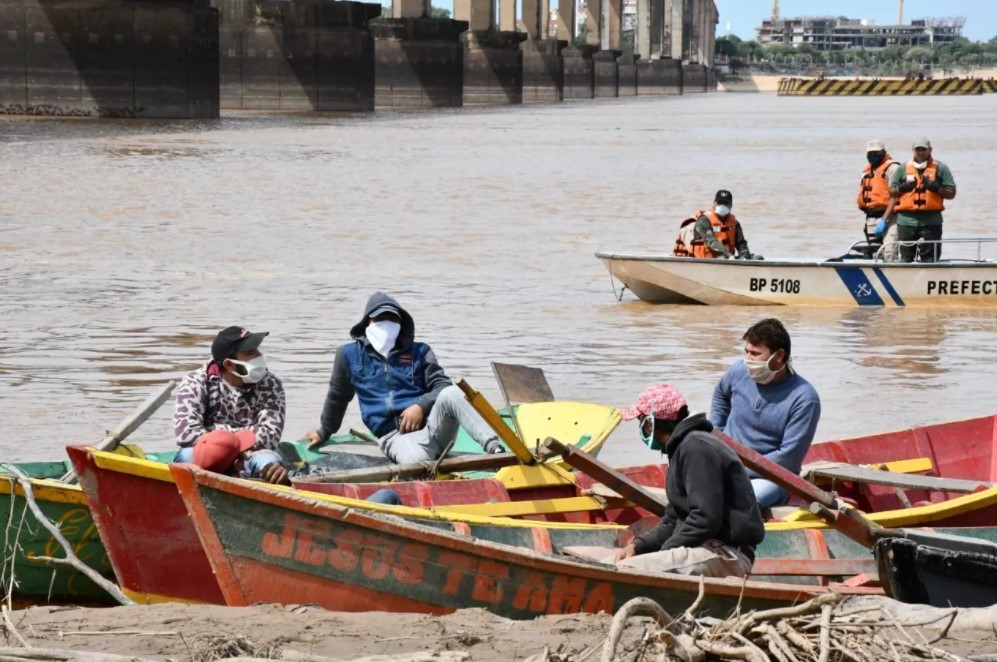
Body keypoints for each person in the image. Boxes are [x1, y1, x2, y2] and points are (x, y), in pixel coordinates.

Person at [303, 293, 505, 464]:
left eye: (392, 319)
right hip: (395, 436)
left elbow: (441, 385)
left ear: (401, 324)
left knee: (452, 392)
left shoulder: (420, 351)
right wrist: (324, 431)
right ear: (367, 322)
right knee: (417, 461)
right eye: (379, 319)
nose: (386, 324)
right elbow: (338, 397)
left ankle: (496, 450)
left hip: (433, 427)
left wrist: (420, 406)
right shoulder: (348, 355)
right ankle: (428, 469)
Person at [613, 384, 764, 577]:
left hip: (726, 553)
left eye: (642, 421)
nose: (641, 427)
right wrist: (638, 546)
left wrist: (664, 552)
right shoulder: (681, 447)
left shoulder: (696, 448)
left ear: (651, 423)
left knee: (626, 570)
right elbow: (673, 519)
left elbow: (705, 519)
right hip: (702, 546)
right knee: (610, 564)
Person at [709, 319, 821, 510]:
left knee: (737, 503)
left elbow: (787, 459)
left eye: (755, 354)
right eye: (746, 351)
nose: (748, 359)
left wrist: (738, 469)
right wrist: (716, 432)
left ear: (779, 356)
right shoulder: (738, 371)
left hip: (771, 477)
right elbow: (721, 393)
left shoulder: (804, 399)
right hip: (725, 462)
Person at [173, 326, 289, 484]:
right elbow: (187, 433)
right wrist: (230, 445)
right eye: (250, 353)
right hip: (209, 452)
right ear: (229, 365)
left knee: (269, 464)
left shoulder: (271, 384)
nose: (259, 356)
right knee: (186, 457)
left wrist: (215, 433)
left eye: (258, 350)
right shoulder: (195, 382)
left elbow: (269, 437)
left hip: (251, 455)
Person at [885, 137, 956, 263]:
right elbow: (891, 191)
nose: (921, 152)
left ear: (930, 150)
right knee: (906, 259)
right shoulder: (902, 168)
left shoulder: (941, 168)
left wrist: (937, 188)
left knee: (930, 260)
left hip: (932, 222)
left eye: (924, 149)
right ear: (913, 150)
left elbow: (951, 194)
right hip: (906, 222)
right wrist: (901, 188)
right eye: (918, 149)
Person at [673, 190, 761, 260]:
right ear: (714, 203)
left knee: (758, 258)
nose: (722, 205)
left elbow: (741, 243)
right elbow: (711, 241)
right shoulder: (704, 220)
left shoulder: (734, 223)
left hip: (728, 259)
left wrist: (744, 254)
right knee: (722, 258)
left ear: (731, 205)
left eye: (726, 203)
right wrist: (728, 255)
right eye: (720, 202)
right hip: (706, 260)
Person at [857, 139, 901, 261]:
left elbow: (895, 196)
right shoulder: (867, 171)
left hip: (891, 217)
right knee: (876, 255)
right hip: (871, 218)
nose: (873, 156)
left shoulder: (893, 168)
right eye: (870, 153)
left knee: (889, 253)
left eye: (876, 152)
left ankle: (894, 272)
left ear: (883, 152)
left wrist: (884, 219)